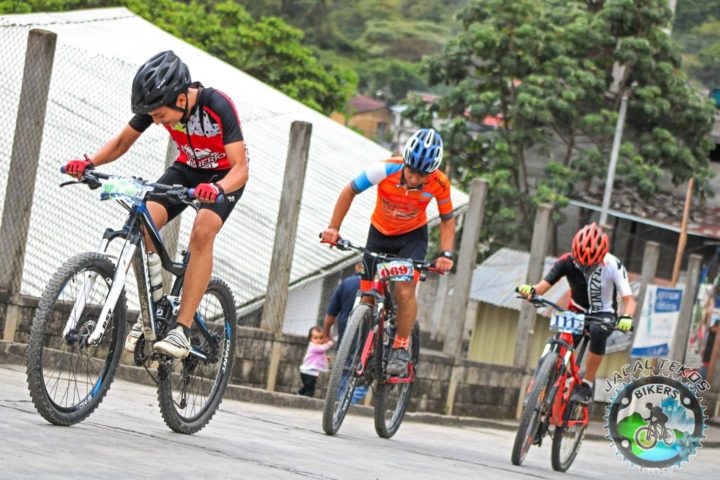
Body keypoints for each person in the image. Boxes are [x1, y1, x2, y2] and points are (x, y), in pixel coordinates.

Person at [62, 50, 249, 359]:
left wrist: (217, 188)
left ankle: (181, 330)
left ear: (180, 99)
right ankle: (155, 309)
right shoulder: (155, 106)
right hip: (187, 169)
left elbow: (241, 168)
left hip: (223, 176)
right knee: (143, 224)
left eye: (160, 116)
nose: (157, 121)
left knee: (202, 232)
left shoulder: (217, 104)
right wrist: (88, 163)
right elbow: (122, 142)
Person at [321, 128, 456, 377]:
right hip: (379, 233)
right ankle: (361, 351)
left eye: (422, 175)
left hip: (412, 237)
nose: (415, 179)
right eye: (412, 171)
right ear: (404, 162)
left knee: (404, 291)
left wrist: (446, 254)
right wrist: (333, 228)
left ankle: (401, 346)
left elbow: (448, 219)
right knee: (367, 297)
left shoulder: (439, 183)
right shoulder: (383, 169)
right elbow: (349, 191)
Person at [517, 222, 636, 404]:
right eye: (581, 264)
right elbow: (543, 286)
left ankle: (586, 384)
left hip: (603, 313)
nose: (586, 268)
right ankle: (540, 383)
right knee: (558, 341)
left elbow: (629, 300)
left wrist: (626, 317)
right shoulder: (566, 261)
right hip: (576, 310)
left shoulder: (613, 265)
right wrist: (531, 291)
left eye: (592, 265)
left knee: (597, 331)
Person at [321, 263, 368, 403]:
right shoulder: (376, 285)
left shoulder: (346, 283)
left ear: (357, 267)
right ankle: (348, 402)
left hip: (346, 334)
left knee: (343, 369)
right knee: (363, 374)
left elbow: (330, 315)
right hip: (368, 339)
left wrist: (326, 334)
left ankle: (338, 404)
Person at [298, 327, 334, 397]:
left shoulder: (317, 348)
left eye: (321, 338)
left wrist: (325, 358)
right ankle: (307, 399)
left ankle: (299, 394)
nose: (319, 340)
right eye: (315, 338)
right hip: (308, 372)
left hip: (309, 372)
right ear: (310, 339)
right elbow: (323, 349)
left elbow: (318, 357)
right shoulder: (313, 346)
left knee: (307, 386)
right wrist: (330, 343)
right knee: (310, 388)